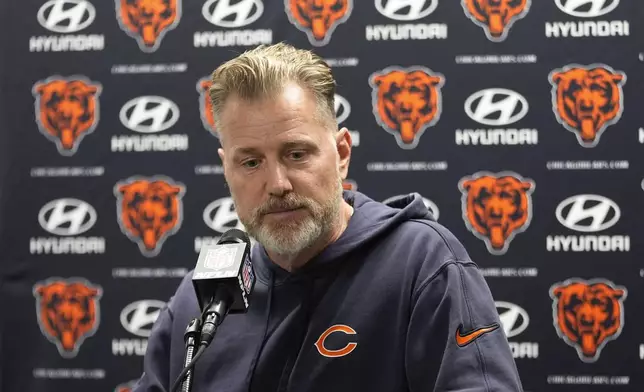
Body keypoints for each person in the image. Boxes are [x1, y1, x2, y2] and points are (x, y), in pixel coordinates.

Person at [133, 42, 524, 392]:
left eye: (296, 154)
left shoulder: (420, 265)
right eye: (251, 162)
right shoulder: (203, 301)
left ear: (341, 154)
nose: (277, 184)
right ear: (226, 170)